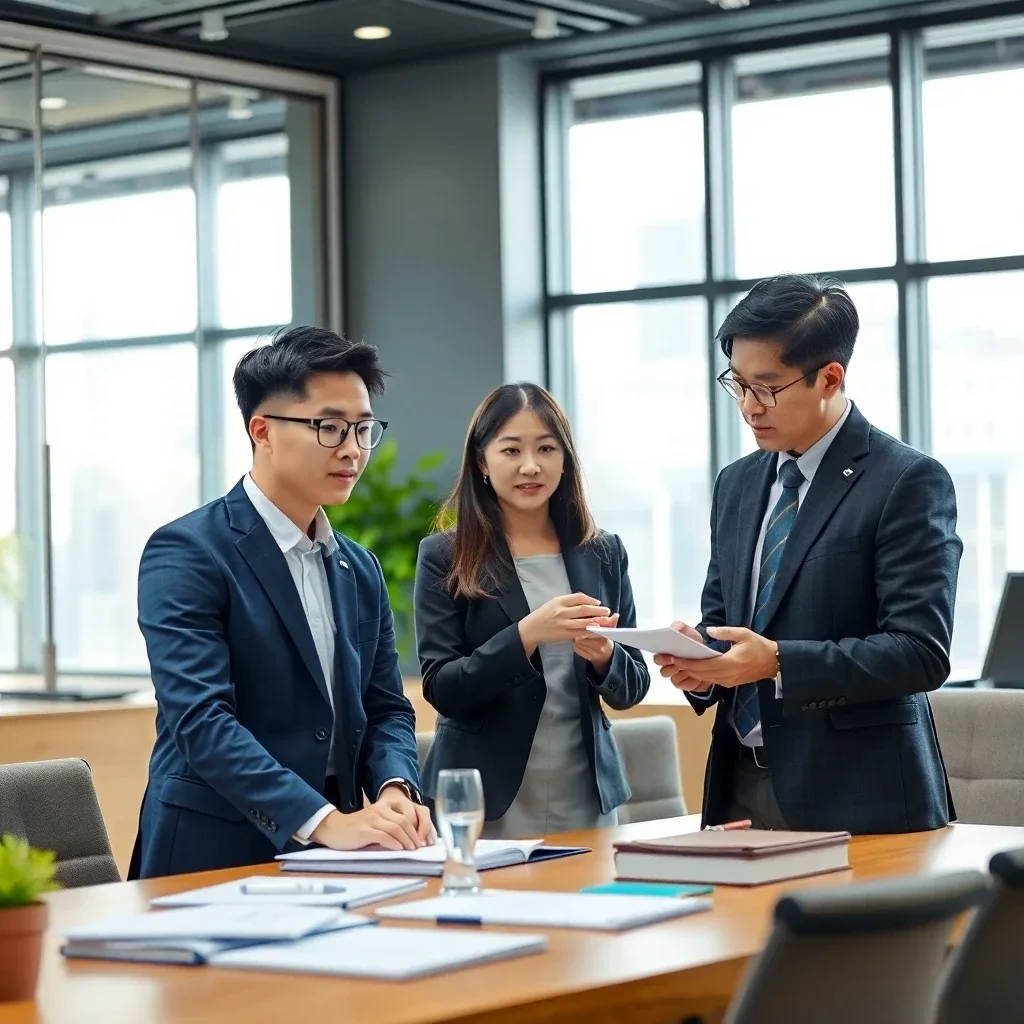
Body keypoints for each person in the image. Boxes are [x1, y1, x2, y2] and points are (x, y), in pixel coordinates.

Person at [655, 275, 961, 834]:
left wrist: (777, 662)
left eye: (768, 388)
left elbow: (920, 652)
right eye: (738, 384)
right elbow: (724, 620)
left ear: (830, 378)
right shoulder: (736, 483)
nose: (749, 407)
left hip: (859, 795)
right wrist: (702, 661)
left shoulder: (906, 480)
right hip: (739, 786)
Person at [130, 327, 430, 878]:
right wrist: (322, 821)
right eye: (329, 428)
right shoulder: (188, 551)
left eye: (364, 429)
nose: (353, 449)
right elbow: (201, 721)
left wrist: (394, 788)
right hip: (212, 855)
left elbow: (386, 707)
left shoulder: (358, 566)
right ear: (262, 430)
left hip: (340, 853)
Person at [414, 383, 650, 837]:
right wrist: (527, 634)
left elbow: (633, 685)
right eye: (511, 450)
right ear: (482, 462)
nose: (530, 466)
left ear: (565, 460)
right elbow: (443, 687)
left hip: (585, 793)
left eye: (546, 448)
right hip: (485, 798)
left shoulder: (602, 552)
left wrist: (605, 657)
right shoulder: (445, 555)